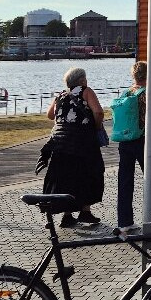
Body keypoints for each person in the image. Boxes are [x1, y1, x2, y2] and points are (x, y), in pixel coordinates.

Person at [41, 67, 105, 228]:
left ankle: (68, 215)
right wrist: (96, 128)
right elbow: (98, 112)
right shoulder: (86, 91)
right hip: (83, 142)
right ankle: (85, 211)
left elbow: (50, 115)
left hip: (60, 143)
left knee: (66, 177)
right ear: (82, 80)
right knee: (89, 173)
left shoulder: (61, 95)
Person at [114, 62, 147, 236]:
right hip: (142, 140)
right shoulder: (146, 93)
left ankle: (124, 222)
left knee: (125, 181)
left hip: (125, 140)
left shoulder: (127, 92)